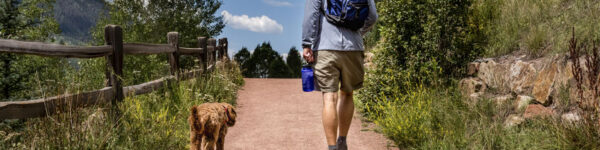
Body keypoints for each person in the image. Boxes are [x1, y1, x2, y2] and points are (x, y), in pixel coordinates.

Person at [302, 0, 378, 150]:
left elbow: (311, 16)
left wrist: (307, 44)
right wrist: (356, 32)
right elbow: (373, 16)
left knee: (329, 97)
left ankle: (332, 147)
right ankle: (342, 141)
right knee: (348, 94)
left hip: (325, 46)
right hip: (354, 47)